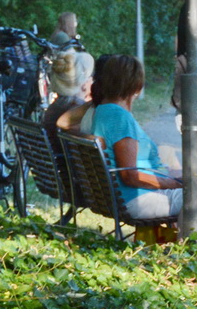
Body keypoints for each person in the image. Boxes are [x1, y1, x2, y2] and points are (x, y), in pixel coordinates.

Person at [77, 54, 183, 219]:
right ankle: (196, 244)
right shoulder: (119, 117)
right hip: (137, 199)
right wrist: (176, 184)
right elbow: (129, 176)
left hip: (125, 196)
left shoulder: (103, 110)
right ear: (137, 86)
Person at [41, 51, 93, 150]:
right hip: (69, 165)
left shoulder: (54, 107)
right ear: (84, 84)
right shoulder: (78, 113)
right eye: (91, 78)